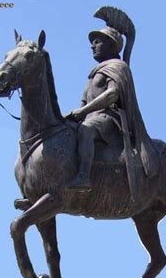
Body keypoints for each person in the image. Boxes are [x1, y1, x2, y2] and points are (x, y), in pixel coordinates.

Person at [67, 26, 158, 193]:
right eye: (92, 43)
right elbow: (83, 102)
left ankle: (83, 176)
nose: (92, 46)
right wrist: (72, 117)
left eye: (97, 41)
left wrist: (84, 111)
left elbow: (113, 94)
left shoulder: (117, 66)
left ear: (111, 45)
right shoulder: (95, 73)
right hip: (91, 117)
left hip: (109, 119)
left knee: (85, 130)